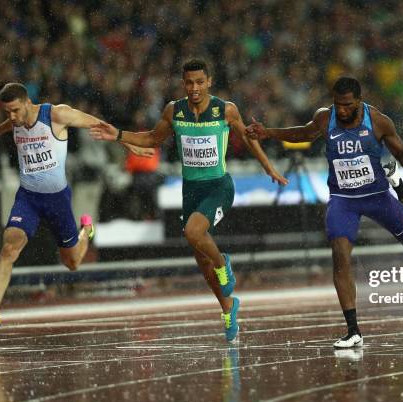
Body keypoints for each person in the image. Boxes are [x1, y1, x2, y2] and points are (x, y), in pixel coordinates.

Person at [90, 58, 287, 343]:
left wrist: (268, 167)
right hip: (190, 190)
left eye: (199, 82)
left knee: (194, 233)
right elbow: (152, 139)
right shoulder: (174, 110)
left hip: (218, 186)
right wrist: (118, 135)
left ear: (209, 82)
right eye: (189, 83)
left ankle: (224, 263)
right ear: (184, 84)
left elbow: (247, 137)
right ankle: (228, 306)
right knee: (201, 260)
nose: (194, 88)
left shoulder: (225, 109)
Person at [246, 76, 403, 348]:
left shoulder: (378, 121)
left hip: (377, 195)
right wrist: (269, 133)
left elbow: (401, 152)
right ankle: (353, 330)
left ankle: (400, 189)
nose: (341, 110)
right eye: (337, 104)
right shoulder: (325, 118)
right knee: (340, 254)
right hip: (343, 199)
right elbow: (303, 133)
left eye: (347, 105)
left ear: (358, 101)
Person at [0, 83, 152, 328]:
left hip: (57, 200)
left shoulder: (56, 115)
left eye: (15, 110)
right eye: (7, 112)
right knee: (8, 250)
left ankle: (85, 232)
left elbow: (97, 124)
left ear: (28, 103)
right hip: (27, 198)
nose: (11, 117)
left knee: (72, 263)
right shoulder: (14, 121)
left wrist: (127, 142)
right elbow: (5, 127)